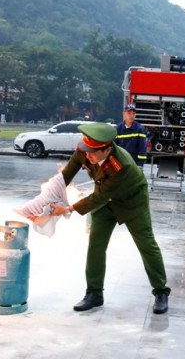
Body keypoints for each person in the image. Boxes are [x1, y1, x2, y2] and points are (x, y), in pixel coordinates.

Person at [49, 122, 171, 314]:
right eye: (86, 150)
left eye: (92, 152)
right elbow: (66, 176)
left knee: (146, 245)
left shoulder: (121, 166)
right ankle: (94, 293)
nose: (87, 155)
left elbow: (98, 197)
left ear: (107, 150)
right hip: (105, 204)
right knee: (96, 245)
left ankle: (161, 291)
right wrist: (47, 197)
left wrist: (67, 209)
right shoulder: (85, 149)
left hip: (131, 202)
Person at [115, 104, 148, 168]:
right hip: (121, 164)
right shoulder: (118, 129)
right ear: (124, 114)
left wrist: (140, 165)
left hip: (134, 164)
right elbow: (114, 148)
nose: (131, 115)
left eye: (133, 113)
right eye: (129, 113)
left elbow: (142, 148)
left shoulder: (139, 129)